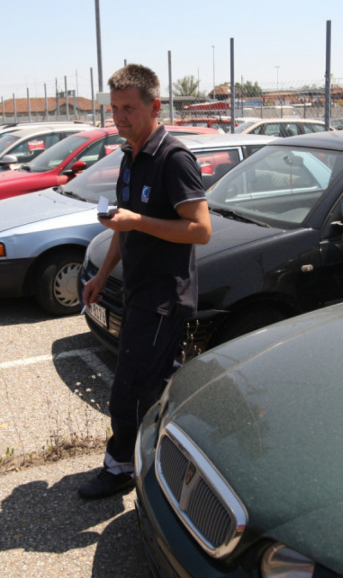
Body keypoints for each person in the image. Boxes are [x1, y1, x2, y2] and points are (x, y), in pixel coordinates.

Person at [78, 64, 212, 500]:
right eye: (115, 109)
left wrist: (140, 220)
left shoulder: (173, 159)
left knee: (128, 390)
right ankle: (168, 457)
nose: (120, 117)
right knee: (154, 385)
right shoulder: (130, 157)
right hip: (136, 290)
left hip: (162, 297)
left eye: (129, 108)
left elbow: (200, 229)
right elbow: (125, 226)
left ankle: (120, 468)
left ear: (155, 107)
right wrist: (101, 274)